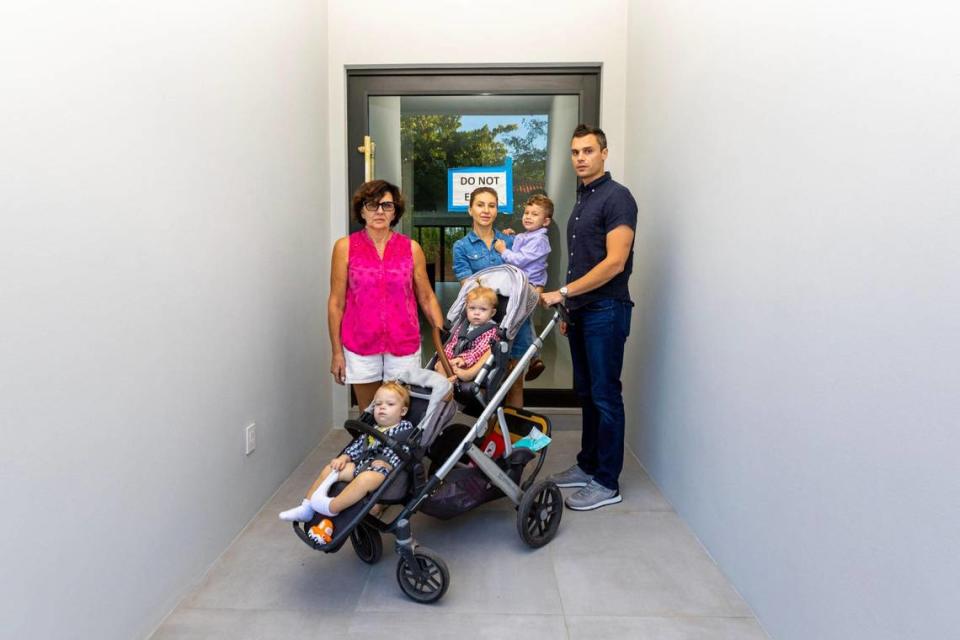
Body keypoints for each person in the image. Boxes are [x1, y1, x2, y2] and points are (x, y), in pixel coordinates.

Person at [541, 125, 637, 511]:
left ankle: (607, 481)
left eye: (588, 151)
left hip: (607, 310)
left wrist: (562, 293)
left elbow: (614, 263)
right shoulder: (582, 201)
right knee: (587, 394)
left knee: (605, 395)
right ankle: (588, 465)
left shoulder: (618, 198)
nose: (580, 157)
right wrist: (570, 308)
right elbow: (580, 262)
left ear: (604, 153)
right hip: (582, 312)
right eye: (575, 152)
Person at [329, 180, 445, 412]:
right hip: (359, 342)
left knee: (402, 411)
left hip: (403, 342)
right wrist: (336, 352)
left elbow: (427, 298)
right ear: (361, 210)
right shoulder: (345, 247)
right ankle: (372, 449)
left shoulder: (411, 248)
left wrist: (445, 347)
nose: (379, 211)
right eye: (372, 205)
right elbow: (336, 303)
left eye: (387, 205)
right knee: (371, 413)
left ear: (395, 212)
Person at [279, 382, 414, 523]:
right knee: (331, 469)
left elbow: (405, 450)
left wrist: (388, 462)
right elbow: (358, 446)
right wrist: (345, 457)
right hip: (362, 464)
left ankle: (333, 507)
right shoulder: (374, 428)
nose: (382, 408)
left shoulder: (404, 429)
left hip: (382, 471)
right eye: (378, 404)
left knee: (365, 478)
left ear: (403, 411)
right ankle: (306, 507)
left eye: (390, 404)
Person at [451, 187, 532, 408]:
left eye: (491, 205)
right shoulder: (461, 247)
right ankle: (490, 435)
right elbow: (470, 289)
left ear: (497, 211)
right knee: (488, 383)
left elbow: (527, 277)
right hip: (482, 328)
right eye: (480, 205)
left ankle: (512, 436)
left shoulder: (512, 242)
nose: (486, 210)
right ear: (470, 210)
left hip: (516, 323)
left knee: (514, 382)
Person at [493, 194, 554, 381]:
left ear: (546, 221)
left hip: (530, 286)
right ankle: (532, 357)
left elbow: (520, 260)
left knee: (522, 322)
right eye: (526, 213)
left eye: (534, 214)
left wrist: (503, 251)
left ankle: (534, 357)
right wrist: (511, 236)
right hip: (522, 285)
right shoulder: (528, 236)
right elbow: (520, 244)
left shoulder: (540, 240)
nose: (527, 216)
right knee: (523, 321)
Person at [435, 285, 499, 382]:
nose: (476, 313)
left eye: (483, 309)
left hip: (472, 364)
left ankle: (455, 381)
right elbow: (452, 344)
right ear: (466, 308)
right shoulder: (462, 326)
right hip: (454, 362)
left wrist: (463, 359)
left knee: (490, 349)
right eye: (472, 308)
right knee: (440, 364)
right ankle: (446, 386)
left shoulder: (491, 331)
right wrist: (447, 359)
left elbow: (480, 350)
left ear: (492, 312)